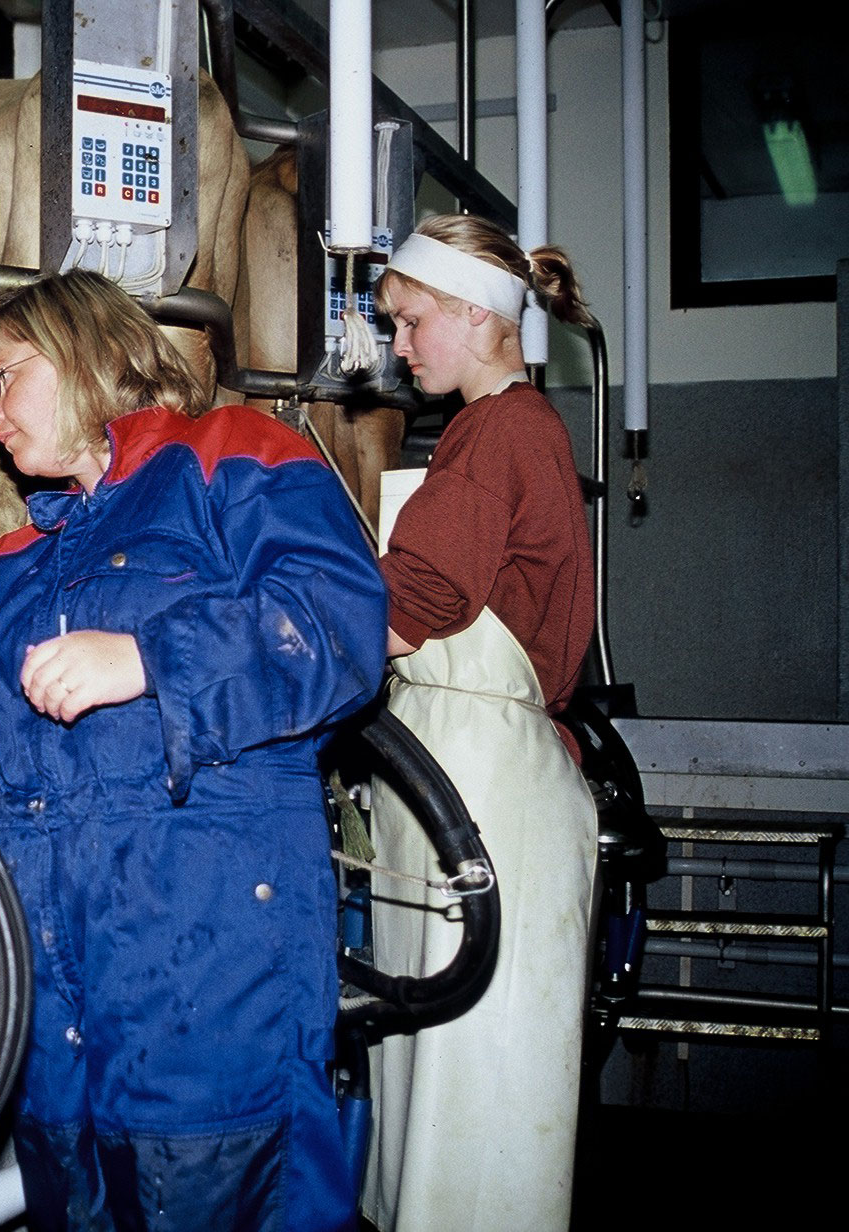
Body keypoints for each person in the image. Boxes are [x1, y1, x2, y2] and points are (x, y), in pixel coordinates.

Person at [0, 270, 385, 1230]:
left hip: (213, 998)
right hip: (54, 1019)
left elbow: (339, 624)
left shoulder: (235, 456)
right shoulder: (9, 572)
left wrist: (149, 657)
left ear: (84, 349)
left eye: (1, 380)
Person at [360, 215, 599, 1232]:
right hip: (467, 765)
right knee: (451, 1088)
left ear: (473, 312)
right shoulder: (496, 427)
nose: (399, 347)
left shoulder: (500, 429)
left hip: (483, 782)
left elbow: (409, 606)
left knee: (476, 1106)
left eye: (411, 322)